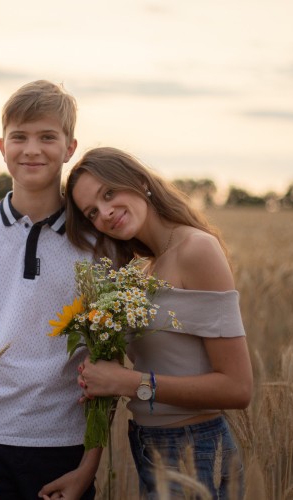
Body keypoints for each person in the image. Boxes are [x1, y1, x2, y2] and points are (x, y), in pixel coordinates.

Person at [0, 80, 100, 500]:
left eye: (48, 137)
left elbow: (105, 360)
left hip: (64, 445)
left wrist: (89, 466)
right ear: (1, 145)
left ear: (69, 147)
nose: (32, 149)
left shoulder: (96, 242)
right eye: (20, 137)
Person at [64, 147, 253, 499]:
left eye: (109, 193)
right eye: (92, 212)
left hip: (195, 451)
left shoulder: (196, 249)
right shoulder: (144, 270)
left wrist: (130, 383)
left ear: (139, 182)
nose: (105, 213)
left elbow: (238, 388)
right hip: (152, 447)